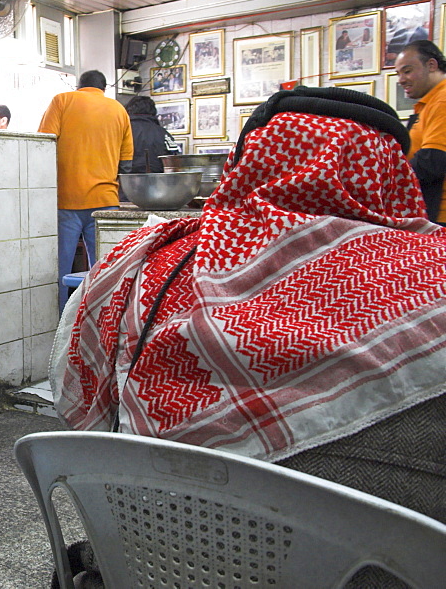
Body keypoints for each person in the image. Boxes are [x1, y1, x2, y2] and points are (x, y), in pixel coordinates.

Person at [51, 86, 446, 523]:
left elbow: (68, 383)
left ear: (246, 163)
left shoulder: (154, 266)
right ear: (392, 176)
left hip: (160, 554)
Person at [38, 70, 133, 310]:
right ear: (104, 88)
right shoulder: (119, 110)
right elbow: (127, 162)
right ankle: (100, 322)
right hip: (106, 202)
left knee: (60, 271)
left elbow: (42, 145)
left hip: (66, 200)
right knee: (105, 271)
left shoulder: (63, 100)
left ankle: (59, 325)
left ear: (79, 86)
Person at [395, 40, 446, 225]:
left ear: (431, 65)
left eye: (407, 71)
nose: (401, 79)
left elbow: (433, 161)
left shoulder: (442, 100)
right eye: (398, 74)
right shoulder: (429, 103)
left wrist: (390, 179)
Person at [123, 95, 180, 175]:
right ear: (153, 112)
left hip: (125, 182)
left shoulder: (122, 132)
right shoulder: (163, 134)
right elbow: (174, 162)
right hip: (158, 183)